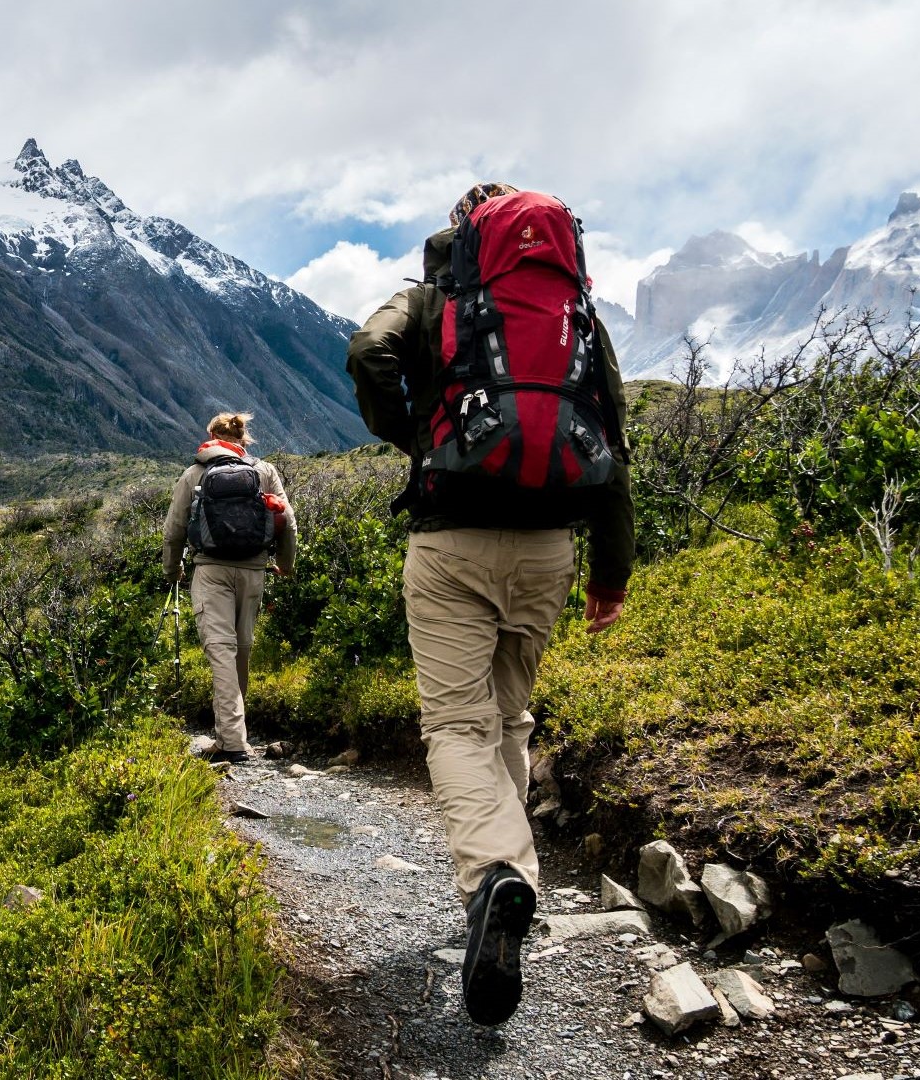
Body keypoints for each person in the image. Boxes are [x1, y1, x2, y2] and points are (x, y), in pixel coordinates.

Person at [346, 183, 634, 1025]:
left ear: (465, 231)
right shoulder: (575, 315)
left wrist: (414, 434)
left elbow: (369, 353)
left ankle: (495, 879)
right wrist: (610, 575)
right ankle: (511, 882)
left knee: (456, 726)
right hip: (550, 549)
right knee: (509, 718)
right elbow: (613, 440)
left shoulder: (436, 298)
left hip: (452, 540)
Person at [161, 412, 297, 765]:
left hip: (211, 571)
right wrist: (285, 564)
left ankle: (232, 741)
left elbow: (174, 530)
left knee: (220, 649)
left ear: (210, 437)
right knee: (241, 650)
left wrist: (173, 569)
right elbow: (289, 522)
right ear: (243, 439)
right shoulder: (263, 471)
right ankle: (235, 733)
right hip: (253, 571)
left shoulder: (194, 473)